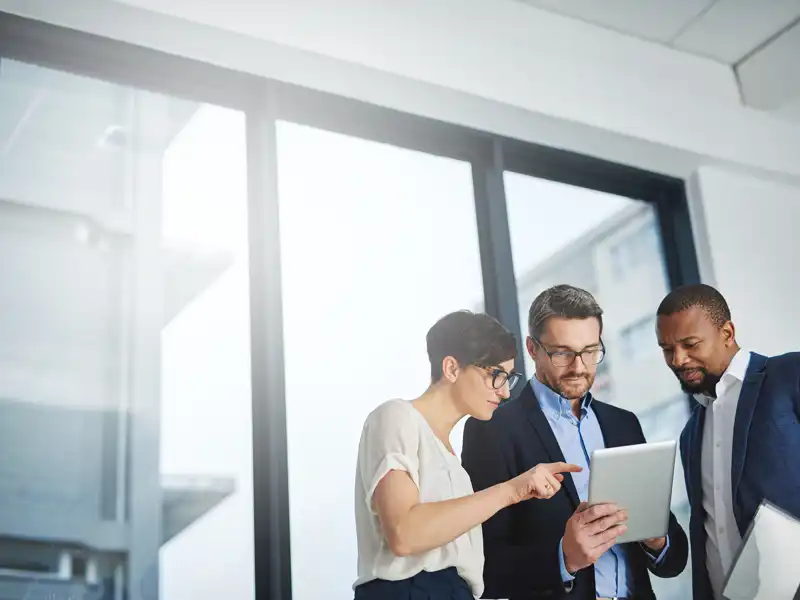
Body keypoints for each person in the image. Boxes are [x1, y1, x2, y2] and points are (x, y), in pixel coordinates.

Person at [462, 285, 688, 600]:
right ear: (532, 349)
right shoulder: (492, 431)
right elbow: (481, 565)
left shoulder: (623, 425)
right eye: (562, 353)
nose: (579, 367)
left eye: (591, 351)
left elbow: (674, 560)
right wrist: (562, 558)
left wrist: (657, 542)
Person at [353, 310, 582, 600]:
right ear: (451, 368)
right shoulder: (396, 416)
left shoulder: (454, 463)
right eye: (496, 375)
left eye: (509, 379)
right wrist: (512, 490)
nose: (505, 393)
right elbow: (404, 533)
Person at [655, 283, 800, 600]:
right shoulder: (691, 434)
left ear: (727, 333)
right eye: (667, 349)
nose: (678, 359)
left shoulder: (789, 375)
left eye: (690, 344)